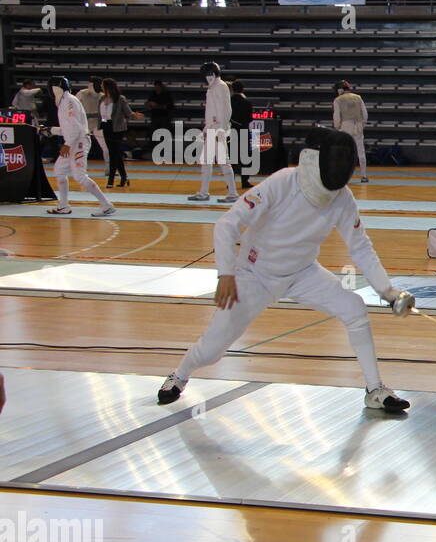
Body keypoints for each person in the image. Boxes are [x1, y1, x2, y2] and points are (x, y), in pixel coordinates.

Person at [156, 130, 412, 413]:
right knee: (212, 350)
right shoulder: (282, 182)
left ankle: (375, 389)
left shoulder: (343, 198)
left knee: (354, 308)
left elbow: (361, 247)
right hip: (254, 275)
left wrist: (387, 291)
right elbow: (227, 224)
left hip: (303, 273)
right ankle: (179, 375)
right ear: (315, 161)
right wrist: (226, 274)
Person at [43, 76, 116, 217]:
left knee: (80, 176)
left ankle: (107, 205)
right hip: (73, 142)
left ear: (55, 88)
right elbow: (69, 128)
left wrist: (67, 145)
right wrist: (51, 130)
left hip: (79, 143)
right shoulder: (64, 102)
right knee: (59, 171)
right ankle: (63, 206)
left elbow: (76, 129)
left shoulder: (69, 101)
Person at [190, 61, 239, 203]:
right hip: (212, 130)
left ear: (211, 74)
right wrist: (206, 129)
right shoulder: (212, 88)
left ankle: (233, 193)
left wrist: (221, 130)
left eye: (206, 75)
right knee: (206, 161)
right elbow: (212, 112)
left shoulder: (221, 87)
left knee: (224, 162)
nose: (205, 78)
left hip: (218, 131)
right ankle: (203, 192)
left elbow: (225, 110)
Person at [100, 78, 142, 188]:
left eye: (102, 85)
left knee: (113, 154)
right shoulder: (101, 98)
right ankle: (124, 177)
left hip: (118, 128)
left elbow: (128, 113)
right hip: (106, 127)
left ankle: (111, 180)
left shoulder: (120, 99)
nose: (101, 86)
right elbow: (99, 114)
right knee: (115, 153)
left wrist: (135, 115)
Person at [332, 81, 369, 183]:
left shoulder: (337, 100)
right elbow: (365, 114)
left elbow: (336, 117)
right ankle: (364, 176)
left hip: (345, 126)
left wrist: (337, 127)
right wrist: (362, 125)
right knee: (360, 152)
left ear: (340, 89)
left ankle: (344, 176)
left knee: (344, 152)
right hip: (358, 125)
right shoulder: (358, 97)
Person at [74, 77, 105, 167]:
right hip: (83, 125)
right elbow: (74, 108)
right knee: (80, 147)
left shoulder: (102, 96)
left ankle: (110, 170)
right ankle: (76, 166)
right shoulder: (81, 94)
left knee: (106, 147)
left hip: (97, 124)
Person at [229, 80, 254, 189]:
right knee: (245, 157)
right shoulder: (247, 102)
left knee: (232, 157)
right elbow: (250, 118)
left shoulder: (228, 101)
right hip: (243, 130)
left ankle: (230, 182)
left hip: (232, 131)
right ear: (242, 89)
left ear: (232, 89)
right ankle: (245, 181)